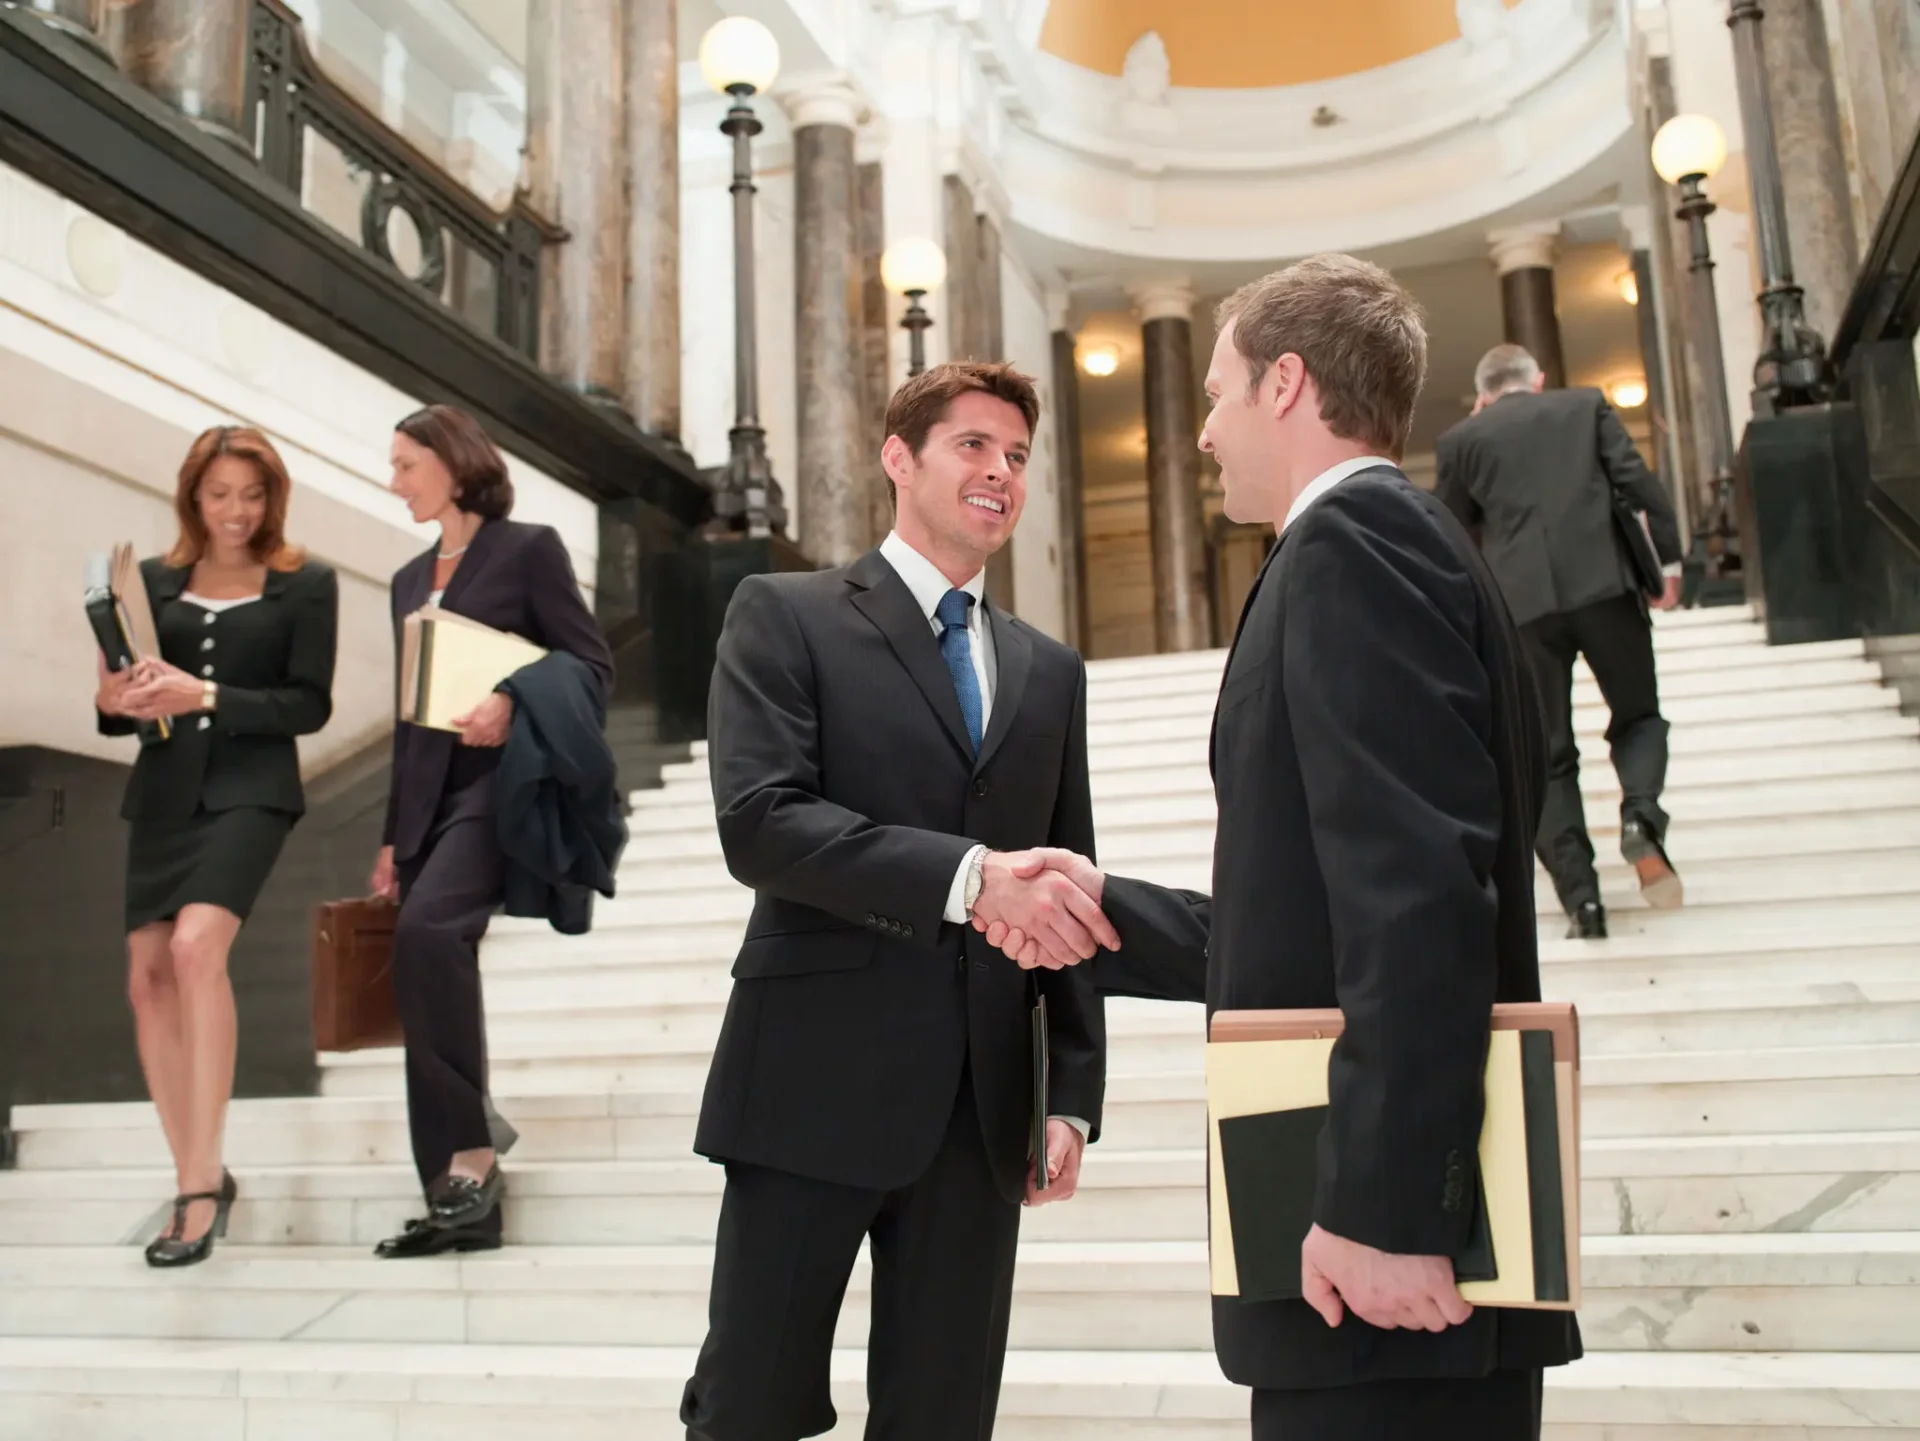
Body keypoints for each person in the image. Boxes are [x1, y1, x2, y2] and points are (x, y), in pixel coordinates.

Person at [977, 257, 1580, 1441]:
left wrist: (1391, 1209)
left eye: (1217, 395)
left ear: (1288, 384)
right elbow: (1327, 909)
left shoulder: (1355, 548)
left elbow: (1417, 898)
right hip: (1367, 1265)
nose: (1201, 432)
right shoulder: (1387, 542)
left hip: (1380, 1264)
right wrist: (1109, 908)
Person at [681, 360, 1112, 1441]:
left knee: (944, 1414)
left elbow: (1069, 880)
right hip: (809, 1078)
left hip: (982, 1106)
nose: (1000, 473)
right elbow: (761, 822)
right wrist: (965, 880)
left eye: (1016, 457)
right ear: (898, 457)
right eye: (973, 444)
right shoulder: (786, 614)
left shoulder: (1050, 670)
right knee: (750, 1405)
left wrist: (1070, 1091)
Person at [367, 404, 612, 1259]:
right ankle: (455, 1190)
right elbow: (406, 721)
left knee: (433, 930)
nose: (394, 481)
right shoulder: (404, 578)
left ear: (450, 461)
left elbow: (590, 662)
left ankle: (469, 1151)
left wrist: (512, 700)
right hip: (428, 797)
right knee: (422, 953)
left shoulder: (529, 548)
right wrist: (395, 838)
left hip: (497, 786)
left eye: (405, 464)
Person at [95, 425, 339, 1268]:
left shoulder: (306, 583)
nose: (236, 511)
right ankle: (195, 1166)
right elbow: (119, 704)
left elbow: (309, 706)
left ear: (273, 498)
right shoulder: (155, 580)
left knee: (199, 946)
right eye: (219, 494)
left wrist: (201, 690)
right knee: (146, 977)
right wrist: (115, 693)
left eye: (252, 493)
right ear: (192, 496)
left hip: (252, 791)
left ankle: (197, 1187)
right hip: (162, 794)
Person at [1436, 343, 1686, 939]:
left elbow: (1451, 530)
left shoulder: (1463, 440)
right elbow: (1638, 483)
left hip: (1521, 610)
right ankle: (1641, 822)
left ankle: (1584, 902)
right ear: (1539, 380)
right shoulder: (1584, 406)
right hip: (1605, 588)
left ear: (1485, 393)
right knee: (1638, 716)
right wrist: (1669, 563)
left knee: (1545, 757)